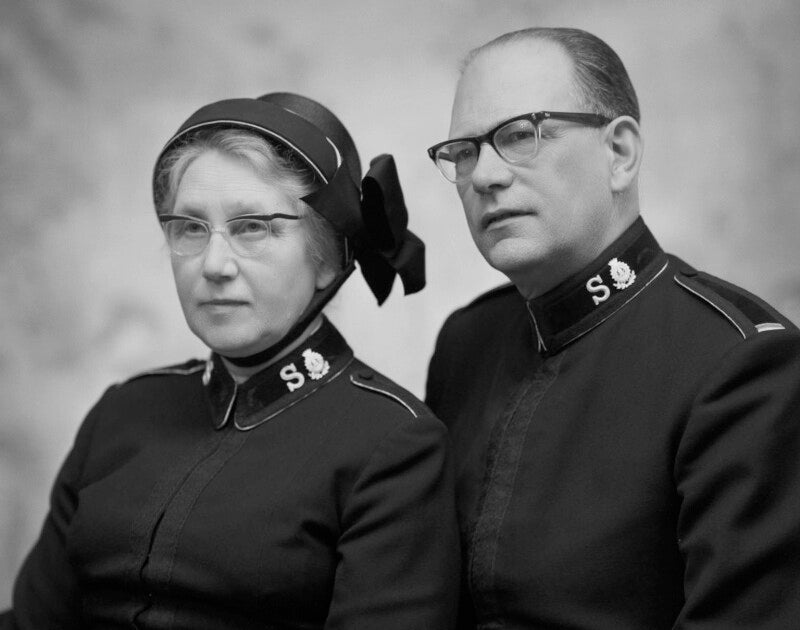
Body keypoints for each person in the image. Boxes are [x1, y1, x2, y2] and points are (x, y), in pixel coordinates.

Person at [2, 93, 460, 629]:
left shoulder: (391, 443)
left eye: (252, 227)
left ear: (327, 258)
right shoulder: (123, 411)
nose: (214, 264)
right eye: (191, 228)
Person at [424, 27, 800, 629]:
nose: (484, 176)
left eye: (520, 135)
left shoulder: (737, 364)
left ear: (619, 153)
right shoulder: (467, 343)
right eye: (464, 152)